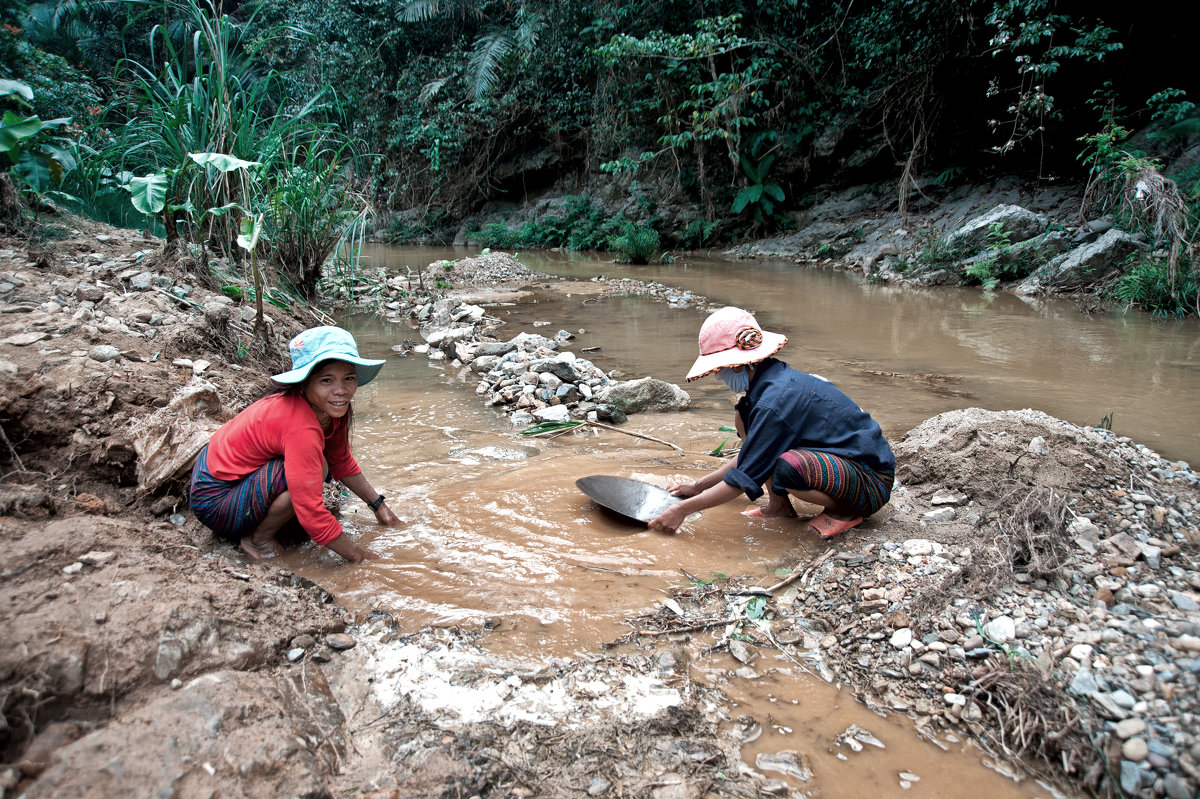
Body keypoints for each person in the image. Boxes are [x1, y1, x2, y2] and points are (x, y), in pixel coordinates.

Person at [648, 307, 895, 538]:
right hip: (844, 467)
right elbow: (753, 455)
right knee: (746, 422)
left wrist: (683, 510)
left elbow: (741, 480)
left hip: (871, 482)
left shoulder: (775, 402)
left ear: (736, 367)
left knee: (788, 466)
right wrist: (698, 486)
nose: (718, 378)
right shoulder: (766, 391)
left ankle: (846, 511)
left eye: (718, 370)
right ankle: (779, 508)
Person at [189, 326, 401, 562]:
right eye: (327, 380)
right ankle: (259, 539)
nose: (341, 391)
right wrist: (363, 558)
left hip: (241, 481)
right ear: (303, 384)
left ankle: (270, 523)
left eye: (348, 379)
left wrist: (379, 506)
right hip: (214, 500)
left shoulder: (331, 408)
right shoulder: (300, 425)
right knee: (316, 466)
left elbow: (341, 461)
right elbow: (312, 514)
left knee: (319, 464)